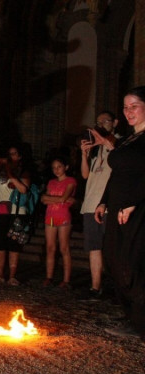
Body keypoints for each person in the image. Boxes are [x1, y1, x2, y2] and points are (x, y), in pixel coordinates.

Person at [95, 86, 145, 340]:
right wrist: (103, 201)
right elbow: (116, 174)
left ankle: (141, 321)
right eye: (125, 107)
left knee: (132, 263)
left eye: (134, 105)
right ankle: (132, 317)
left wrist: (134, 202)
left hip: (138, 211)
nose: (128, 111)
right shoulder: (127, 140)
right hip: (117, 209)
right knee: (114, 261)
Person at [78, 111, 119, 300]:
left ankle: (117, 288)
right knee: (94, 247)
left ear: (115, 123)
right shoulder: (96, 148)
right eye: (98, 122)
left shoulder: (120, 143)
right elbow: (86, 175)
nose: (101, 124)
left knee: (112, 248)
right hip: (90, 204)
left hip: (109, 205)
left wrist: (104, 142)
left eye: (105, 121)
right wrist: (84, 154)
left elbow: (120, 164)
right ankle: (95, 287)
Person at [0, 145, 31, 286]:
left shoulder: (23, 171)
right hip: (0, 211)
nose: (10, 157)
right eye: (9, 154)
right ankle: (0, 274)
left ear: (19, 157)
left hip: (17, 212)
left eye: (14, 154)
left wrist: (9, 171)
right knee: (0, 243)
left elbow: (23, 189)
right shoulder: (0, 172)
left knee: (14, 244)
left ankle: (12, 276)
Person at [41, 156, 77, 289]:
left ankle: (66, 280)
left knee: (64, 248)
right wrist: (56, 199)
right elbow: (44, 200)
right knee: (50, 248)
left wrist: (52, 199)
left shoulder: (70, 181)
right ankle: (49, 277)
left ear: (66, 167)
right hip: (50, 216)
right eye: (54, 167)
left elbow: (63, 198)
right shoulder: (51, 182)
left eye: (59, 167)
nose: (56, 170)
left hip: (63, 217)